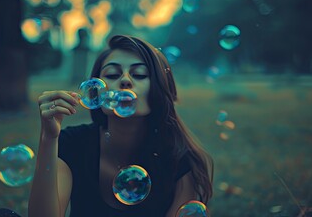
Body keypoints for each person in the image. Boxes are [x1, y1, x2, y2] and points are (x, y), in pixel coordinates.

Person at [28, 35, 214, 217]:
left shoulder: (181, 159)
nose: (125, 80)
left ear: (158, 89)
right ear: (95, 92)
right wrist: (49, 138)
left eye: (139, 74)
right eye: (112, 74)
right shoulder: (73, 144)